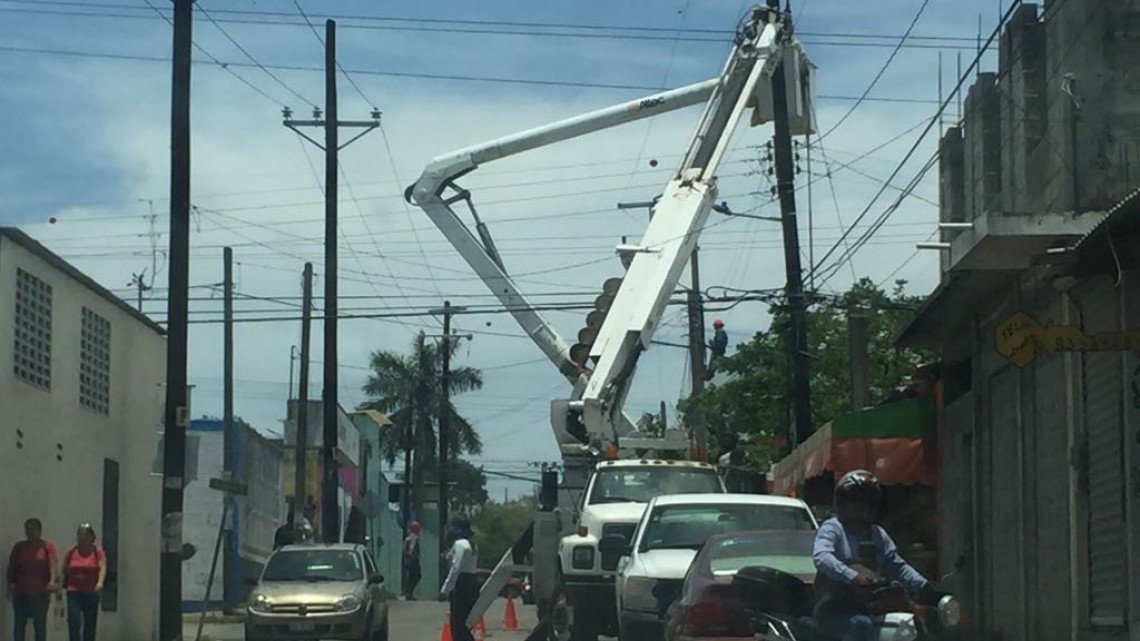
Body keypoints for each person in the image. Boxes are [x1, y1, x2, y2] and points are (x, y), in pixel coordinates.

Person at [812, 470, 930, 641]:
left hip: (870, 606)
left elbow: (896, 565)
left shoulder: (877, 534)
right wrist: (852, 576)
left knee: (908, 621)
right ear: (843, 502)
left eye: (867, 501)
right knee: (861, 625)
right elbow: (822, 557)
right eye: (856, 500)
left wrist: (925, 587)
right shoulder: (833, 528)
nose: (862, 506)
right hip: (833, 609)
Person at [7, 518, 60, 641]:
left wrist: (52, 581)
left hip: (40, 594)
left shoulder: (47, 547)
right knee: (19, 625)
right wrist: (10, 584)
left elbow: (53, 564)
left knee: (40, 626)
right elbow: (12, 567)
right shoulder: (19, 547)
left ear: (39, 530)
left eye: (33, 529)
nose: (30, 532)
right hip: (21, 593)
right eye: (28, 529)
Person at [62, 524, 105, 641]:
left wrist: (100, 582)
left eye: (86, 535)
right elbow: (65, 569)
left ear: (92, 537)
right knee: (74, 622)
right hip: (74, 592)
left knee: (90, 624)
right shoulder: (71, 551)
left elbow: (102, 567)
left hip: (91, 592)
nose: (82, 538)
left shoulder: (97, 551)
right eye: (80, 535)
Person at [440, 519, 478, 641]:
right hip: (471, 582)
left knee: (458, 625)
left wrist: (445, 590)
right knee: (464, 624)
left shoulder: (461, 544)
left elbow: (455, 569)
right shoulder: (472, 544)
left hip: (462, 584)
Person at [402, 521, 422, 600]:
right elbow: (411, 548)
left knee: (411, 576)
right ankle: (409, 592)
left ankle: (408, 592)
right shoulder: (414, 537)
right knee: (416, 576)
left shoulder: (409, 537)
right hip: (413, 560)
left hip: (409, 560)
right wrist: (413, 558)